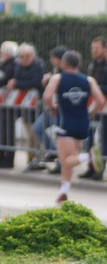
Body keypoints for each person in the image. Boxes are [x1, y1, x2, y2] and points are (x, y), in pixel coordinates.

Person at [43, 50, 105, 204]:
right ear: (79, 64)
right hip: (83, 122)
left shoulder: (58, 78)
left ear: (64, 63)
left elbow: (47, 96)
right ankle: (63, 193)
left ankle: (89, 156)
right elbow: (101, 100)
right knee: (70, 157)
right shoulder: (88, 80)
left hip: (65, 123)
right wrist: (90, 113)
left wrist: (52, 107)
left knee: (65, 161)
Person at [32, 45, 68, 174]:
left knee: (61, 137)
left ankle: (61, 162)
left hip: (61, 109)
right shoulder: (55, 71)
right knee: (38, 127)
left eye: (53, 57)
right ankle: (53, 152)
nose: (51, 60)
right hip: (52, 107)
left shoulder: (65, 73)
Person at [79, 36, 107, 181]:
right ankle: (91, 167)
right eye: (93, 48)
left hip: (104, 107)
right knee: (88, 138)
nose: (94, 51)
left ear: (105, 49)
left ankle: (99, 170)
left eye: (97, 48)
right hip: (93, 106)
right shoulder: (93, 64)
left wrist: (93, 86)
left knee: (103, 140)